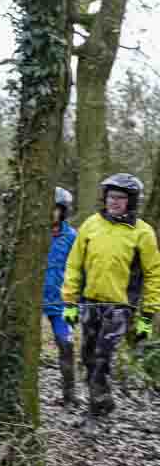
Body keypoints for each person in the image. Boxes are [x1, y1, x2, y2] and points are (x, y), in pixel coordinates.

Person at [62, 173, 160, 420]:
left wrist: (147, 316)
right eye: (111, 196)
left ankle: (93, 413)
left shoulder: (142, 232)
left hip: (120, 306)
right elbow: (74, 264)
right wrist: (70, 302)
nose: (114, 201)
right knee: (87, 355)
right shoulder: (91, 224)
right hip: (89, 301)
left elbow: (153, 274)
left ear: (132, 201)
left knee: (102, 357)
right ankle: (104, 399)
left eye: (121, 197)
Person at [43, 187, 78, 406]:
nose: (51, 214)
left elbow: (79, 269)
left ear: (63, 211)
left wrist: (75, 299)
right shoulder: (35, 235)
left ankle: (69, 393)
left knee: (66, 343)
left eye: (55, 209)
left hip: (60, 300)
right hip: (33, 298)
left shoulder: (72, 237)